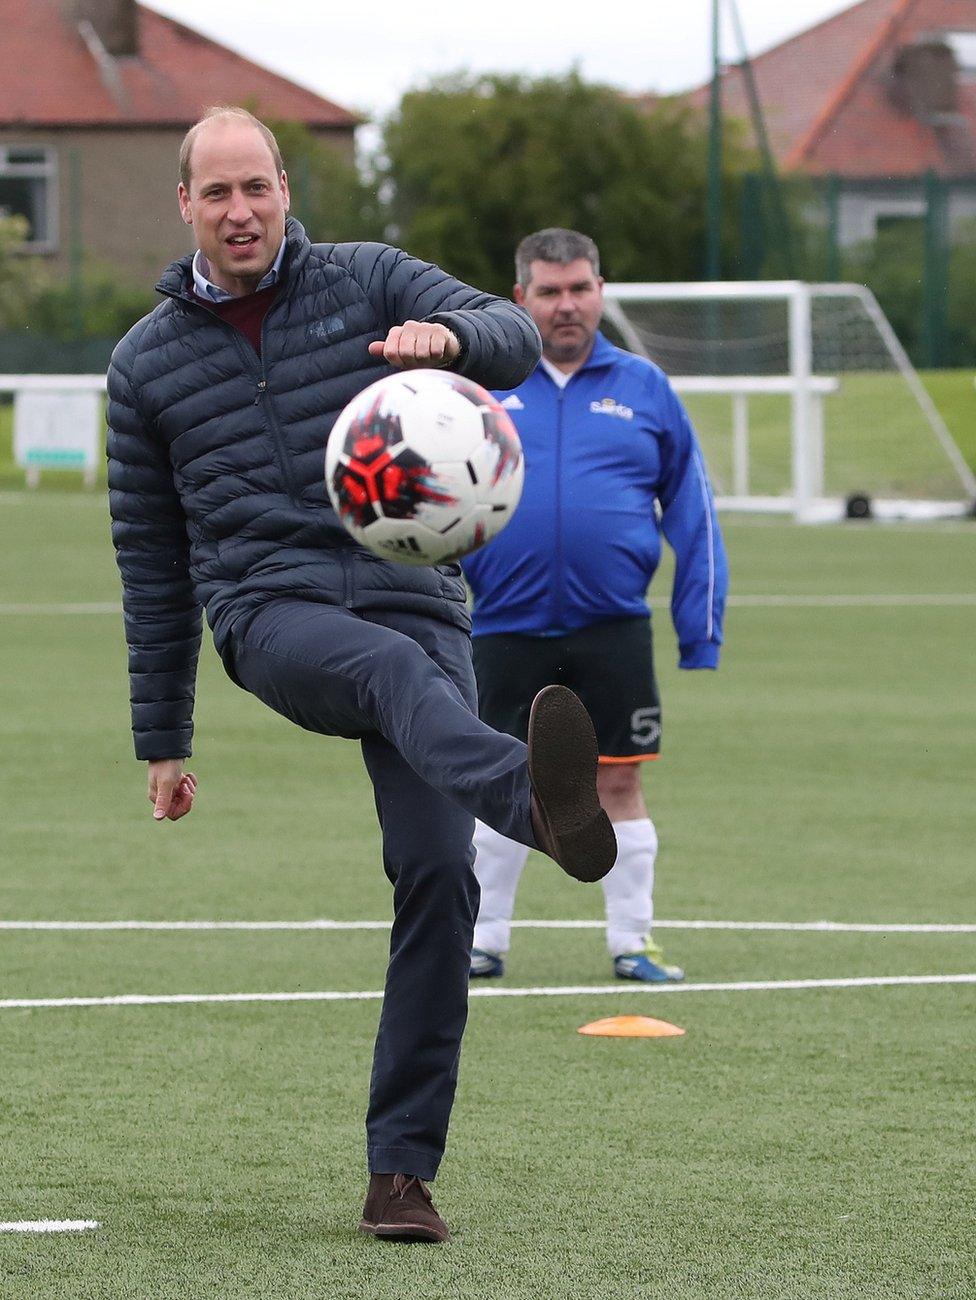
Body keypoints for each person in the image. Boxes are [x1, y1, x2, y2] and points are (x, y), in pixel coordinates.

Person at [106, 112, 616, 1245]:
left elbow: (513, 335)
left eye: (258, 187)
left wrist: (451, 346)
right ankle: (532, 798)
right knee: (384, 672)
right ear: (182, 205)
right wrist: (165, 736)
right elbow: (149, 558)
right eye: (217, 192)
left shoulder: (369, 279)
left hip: (412, 597)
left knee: (439, 876)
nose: (241, 211)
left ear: (286, 189)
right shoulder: (144, 363)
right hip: (271, 613)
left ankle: (400, 1173)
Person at [461, 228, 728, 984]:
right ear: (521, 299)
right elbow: (436, 496)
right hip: (502, 628)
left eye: (580, 288)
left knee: (619, 781)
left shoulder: (645, 389)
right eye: (549, 291)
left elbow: (693, 511)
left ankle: (632, 943)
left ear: (600, 291)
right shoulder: (482, 390)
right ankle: (483, 941)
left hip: (612, 629)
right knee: (500, 785)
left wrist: (699, 628)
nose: (567, 304)